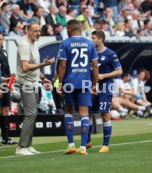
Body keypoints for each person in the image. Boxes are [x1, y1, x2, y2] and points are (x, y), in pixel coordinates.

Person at [58, 19, 99, 156]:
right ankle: (83, 147)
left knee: (68, 111)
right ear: (81, 29)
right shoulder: (89, 43)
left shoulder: (66, 43)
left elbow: (63, 65)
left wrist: (60, 82)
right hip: (84, 82)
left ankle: (71, 145)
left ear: (69, 29)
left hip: (70, 82)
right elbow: (95, 66)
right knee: (84, 113)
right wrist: (95, 83)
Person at [15, 23, 55, 156]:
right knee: (30, 114)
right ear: (28, 31)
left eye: (39, 31)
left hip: (34, 82)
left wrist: (43, 78)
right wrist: (44, 64)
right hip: (25, 83)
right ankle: (21, 147)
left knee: (33, 114)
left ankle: (28, 145)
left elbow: (34, 68)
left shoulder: (34, 43)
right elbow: (25, 67)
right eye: (35, 31)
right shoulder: (24, 45)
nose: (38, 33)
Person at [88, 30, 123, 153]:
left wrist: (104, 76)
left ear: (100, 39)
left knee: (104, 113)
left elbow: (119, 71)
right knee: (88, 113)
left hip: (105, 87)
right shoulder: (89, 53)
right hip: (91, 86)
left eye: (93, 38)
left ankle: (105, 145)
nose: (91, 40)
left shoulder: (110, 54)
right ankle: (88, 141)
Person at [0, 31, 17, 145]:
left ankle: (5, 137)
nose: (0, 42)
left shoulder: (4, 51)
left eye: (1, 39)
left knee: (5, 110)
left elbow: (6, 67)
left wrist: (10, 78)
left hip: (6, 83)